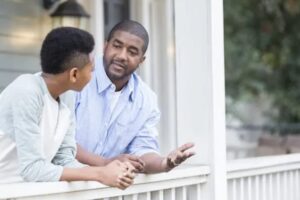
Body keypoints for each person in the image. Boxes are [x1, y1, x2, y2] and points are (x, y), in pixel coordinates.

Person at [0, 27, 134, 189]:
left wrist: (109, 171)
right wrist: (99, 173)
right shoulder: (27, 91)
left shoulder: (66, 96)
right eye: (91, 70)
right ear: (74, 75)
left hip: (24, 192)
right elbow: (32, 169)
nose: (93, 76)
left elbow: (64, 158)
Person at [75, 20, 195, 173]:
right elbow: (61, 142)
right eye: (117, 46)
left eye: (132, 52)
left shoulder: (146, 100)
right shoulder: (76, 77)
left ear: (141, 60)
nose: (122, 56)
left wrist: (165, 163)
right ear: (105, 45)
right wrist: (104, 163)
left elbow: (142, 150)